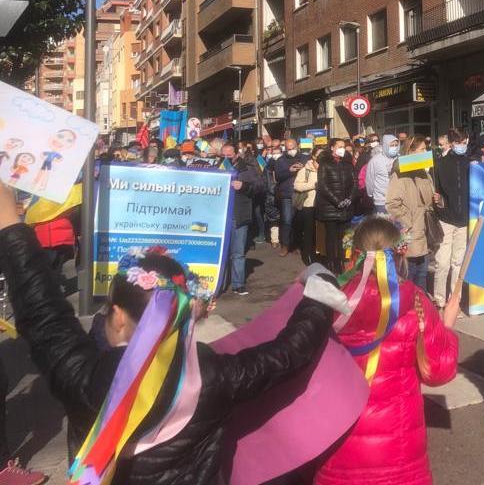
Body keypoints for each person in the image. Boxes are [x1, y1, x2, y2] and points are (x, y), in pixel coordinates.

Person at [0, 181, 339, 484]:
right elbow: (291, 351)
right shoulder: (214, 375)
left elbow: (41, 310)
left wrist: (10, 224)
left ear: (117, 316)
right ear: (187, 313)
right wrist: (319, 290)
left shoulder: (85, 377)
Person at [314, 217, 459, 484]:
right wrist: (447, 326)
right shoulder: (416, 300)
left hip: (337, 445)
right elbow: (439, 370)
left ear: (354, 253)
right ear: (399, 255)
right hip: (399, 456)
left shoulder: (328, 301)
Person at [386, 136, 435, 291]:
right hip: (410, 234)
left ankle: (421, 312)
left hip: (424, 233)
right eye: (422, 149)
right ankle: (408, 312)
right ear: (411, 151)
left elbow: (430, 200)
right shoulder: (399, 175)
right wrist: (408, 222)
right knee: (409, 278)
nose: (426, 152)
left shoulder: (424, 174)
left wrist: (437, 200)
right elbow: (392, 204)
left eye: (426, 149)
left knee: (422, 278)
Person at [433, 129, 470, 308]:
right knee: (442, 263)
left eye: (463, 142)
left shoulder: (472, 164)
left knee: (458, 264)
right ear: (451, 143)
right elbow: (436, 190)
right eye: (456, 142)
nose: (460, 146)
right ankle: (439, 300)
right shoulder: (440, 164)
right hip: (446, 219)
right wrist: (437, 200)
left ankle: (454, 300)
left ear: (468, 141)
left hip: (464, 221)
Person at [222, 143, 265, 296]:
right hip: (221, 217)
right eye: (224, 155)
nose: (227, 158)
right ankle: (220, 284)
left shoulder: (247, 168)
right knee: (222, 252)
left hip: (239, 214)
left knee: (238, 252)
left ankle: (238, 284)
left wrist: (244, 186)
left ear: (237, 154)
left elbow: (260, 186)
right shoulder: (219, 166)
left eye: (230, 155)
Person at [315, 138, 357, 274]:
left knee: (342, 238)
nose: (342, 149)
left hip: (345, 207)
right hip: (330, 208)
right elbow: (322, 185)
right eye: (339, 146)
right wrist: (336, 201)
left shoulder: (347, 163)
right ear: (332, 148)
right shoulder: (325, 163)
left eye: (344, 147)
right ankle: (331, 265)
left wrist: (350, 198)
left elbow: (354, 182)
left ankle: (340, 264)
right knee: (331, 239)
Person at [273, 139, 307, 257]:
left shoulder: (304, 158)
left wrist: (303, 168)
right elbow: (278, 177)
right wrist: (289, 171)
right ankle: (285, 245)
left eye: (292, 148)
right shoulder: (280, 160)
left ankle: (298, 244)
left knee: (300, 221)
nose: (291, 150)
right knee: (286, 221)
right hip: (287, 194)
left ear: (297, 147)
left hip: (302, 193)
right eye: (288, 149)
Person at [293, 146, 323, 266]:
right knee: (309, 232)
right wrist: (314, 185)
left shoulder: (326, 168)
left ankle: (319, 255)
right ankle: (308, 256)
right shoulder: (305, 170)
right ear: (314, 156)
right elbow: (297, 186)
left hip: (322, 205)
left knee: (320, 232)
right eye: (319, 154)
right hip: (309, 205)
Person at [365, 134, 399, 215]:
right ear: (385, 145)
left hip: (398, 200)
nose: (394, 147)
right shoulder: (375, 160)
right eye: (391, 145)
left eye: (396, 145)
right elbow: (370, 180)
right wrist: (370, 194)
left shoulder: (401, 158)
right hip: (382, 201)